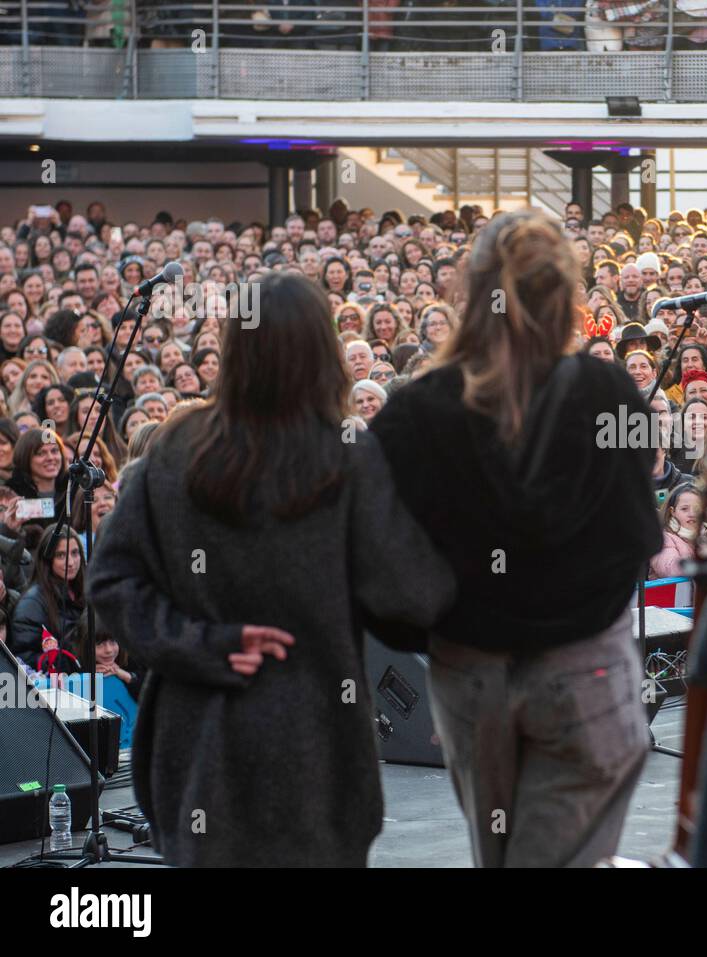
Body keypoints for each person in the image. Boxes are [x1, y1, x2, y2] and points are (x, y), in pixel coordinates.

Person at [87, 272, 456, 868]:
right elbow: (410, 605)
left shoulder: (176, 449)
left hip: (198, 752)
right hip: (315, 752)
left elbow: (111, 583)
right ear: (322, 352)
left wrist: (202, 643)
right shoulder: (348, 459)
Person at [367, 211, 660, 868]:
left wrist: (445, 633)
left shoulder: (412, 412)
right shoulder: (608, 390)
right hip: (583, 670)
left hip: (469, 678)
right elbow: (640, 533)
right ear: (567, 297)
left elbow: (378, 566)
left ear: (468, 295)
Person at [10, 525, 85, 670]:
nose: (71, 563)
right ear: (47, 560)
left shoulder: (87, 591)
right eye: (61, 555)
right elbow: (23, 658)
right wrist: (78, 660)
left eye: (75, 553)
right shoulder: (32, 603)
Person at [650, 482, 702, 578]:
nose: (692, 514)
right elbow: (669, 568)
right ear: (672, 512)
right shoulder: (663, 538)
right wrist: (703, 562)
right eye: (684, 509)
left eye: (697, 509)